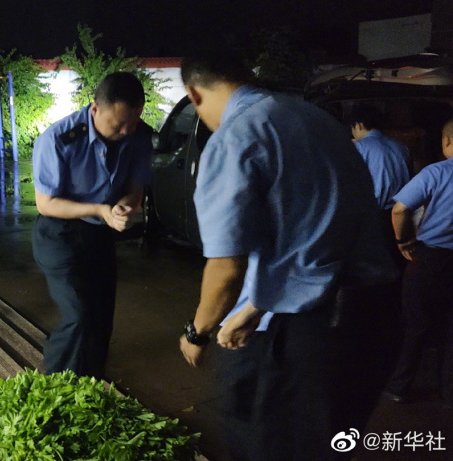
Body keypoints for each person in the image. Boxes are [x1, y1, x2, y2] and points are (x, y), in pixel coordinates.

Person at [177, 47, 400, 460]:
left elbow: (227, 268)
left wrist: (197, 332)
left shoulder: (236, 136)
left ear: (193, 94)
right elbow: (320, 230)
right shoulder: (315, 119)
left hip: (306, 334)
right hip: (371, 317)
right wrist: (258, 307)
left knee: (270, 443)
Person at [32, 72, 152, 379]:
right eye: (118, 124)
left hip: (100, 233)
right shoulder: (59, 139)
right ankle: (56, 383)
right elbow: (47, 203)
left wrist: (128, 205)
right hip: (59, 232)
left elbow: (136, 185)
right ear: (95, 109)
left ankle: (92, 381)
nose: (126, 131)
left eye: (133, 121)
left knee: (101, 317)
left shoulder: (138, 135)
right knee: (79, 315)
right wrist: (100, 209)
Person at [382, 118, 453, 407]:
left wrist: (404, 242)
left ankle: (399, 387)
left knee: (416, 323)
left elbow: (400, 209)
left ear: (447, 141)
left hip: (431, 258)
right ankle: (449, 394)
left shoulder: (436, 172)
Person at [349, 105, 411, 265]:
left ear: (358, 124)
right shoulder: (401, 147)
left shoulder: (359, 147)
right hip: (400, 216)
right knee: (397, 262)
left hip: (372, 218)